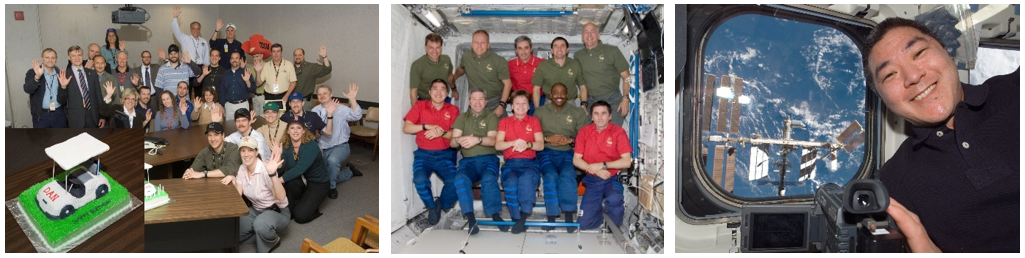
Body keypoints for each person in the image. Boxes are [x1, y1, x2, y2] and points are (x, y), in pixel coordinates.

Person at [866, 17, 1019, 253]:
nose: (913, 76)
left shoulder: (1017, 89)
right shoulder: (893, 182)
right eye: (889, 75)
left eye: (918, 53)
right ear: (883, 100)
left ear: (947, 53)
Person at [403, 79, 460, 225]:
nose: (438, 92)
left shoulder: (453, 110)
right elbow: (407, 128)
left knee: (455, 182)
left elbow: (455, 135)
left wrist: (440, 133)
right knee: (419, 180)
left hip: (445, 155)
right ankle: (432, 206)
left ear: (447, 93)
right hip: (423, 155)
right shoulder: (420, 105)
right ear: (429, 92)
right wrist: (425, 126)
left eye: (442, 89)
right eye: (435, 88)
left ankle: (441, 204)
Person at [534, 83, 589, 232]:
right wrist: (547, 139)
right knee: (550, 175)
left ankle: (569, 213)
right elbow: (532, 136)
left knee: (567, 174)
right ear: (550, 95)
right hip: (546, 152)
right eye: (556, 93)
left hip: (567, 152)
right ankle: (551, 215)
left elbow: (585, 137)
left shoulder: (578, 113)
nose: (559, 95)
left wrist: (570, 140)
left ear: (568, 95)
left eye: (563, 93)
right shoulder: (539, 112)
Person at [572, 100, 631, 230]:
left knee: (615, 198)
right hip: (593, 179)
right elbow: (576, 160)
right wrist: (596, 170)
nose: (600, 117)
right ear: (591, 117)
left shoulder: (618, 132)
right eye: (596, 114)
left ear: (610, 116)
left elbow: (627, 161)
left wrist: (603, 165)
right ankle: (601, 216)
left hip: (612, 178)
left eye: (603, 113)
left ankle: (613, 226)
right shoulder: (584, 132)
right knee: (583, 224)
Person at [449, 87, 501, 234]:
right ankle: (471, 219)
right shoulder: (462, 117)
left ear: (485, 102)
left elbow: (492, 140)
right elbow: (452, 143)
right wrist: (461, 139)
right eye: (474, 99)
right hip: (468, 161)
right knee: (460, 178)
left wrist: (476, 140)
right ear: (469, 102)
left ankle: (495, 215)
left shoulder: (491, 117)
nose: (477, 102)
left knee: (489, 178)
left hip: (488, 159)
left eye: (480, 99)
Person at [495, 90, 544, 233]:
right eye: (517, 103)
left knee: (526, 180)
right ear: (511, 106)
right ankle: (516, 219)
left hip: (530, 163)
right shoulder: (504, 122)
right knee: (510, 182)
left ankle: (522, 218)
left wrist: (528, 144)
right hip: (510, 164)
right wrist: (513, 143)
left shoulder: (534, 121)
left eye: (524, 103)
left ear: (529, 106)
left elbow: (540, 145)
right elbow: (498, 145)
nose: (521, 106)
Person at [234, 136, 288, 253]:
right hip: (257, 209)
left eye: (250, 150)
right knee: (234, 231)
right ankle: (261, 234)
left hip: (277, 211)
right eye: (243, 150)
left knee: (260, 224)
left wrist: (272, 175)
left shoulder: (265, 169)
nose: (246, 154)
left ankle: (274, 239)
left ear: (257, 151)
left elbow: (281, 197)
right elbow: (237, 196)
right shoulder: (242, 169)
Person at [311, 84, 362, 199]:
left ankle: (331, 188)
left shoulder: (341, 109)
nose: (322, 96)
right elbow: (313, 131)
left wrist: (352, 100)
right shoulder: (315, 111)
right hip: (322, 147)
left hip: (340, 147)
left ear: (331, 95)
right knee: (324, 175)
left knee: (332, 161)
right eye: (319, 94)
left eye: (325, 93)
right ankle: (349, 172)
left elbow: (356, 116)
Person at [575, 22, 631, 126]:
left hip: (613, 99)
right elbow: (582, 84)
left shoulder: (612, 51)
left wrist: (625, 99)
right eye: (586, 32)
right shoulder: (578, 56)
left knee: (613, 132)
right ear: (582, 37)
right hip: (592, 100)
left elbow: (626, 76)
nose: (589, 35)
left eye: (592, 32)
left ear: (598, 35)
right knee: (588, 132)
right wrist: (583, 104)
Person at [278, 121, 331, 224]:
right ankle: (302, 201)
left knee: (300, 216)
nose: (295, 131)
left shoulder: (311, 146)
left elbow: (299, 169)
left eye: (298, 128)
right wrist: (278, 160)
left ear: (303, 131)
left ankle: (312, 208)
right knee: (290, 184)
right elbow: (281, 170)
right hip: (302, 180)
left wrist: (279, 180)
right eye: (292, 128)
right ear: (288, 131)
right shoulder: (286, 147)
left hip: (318, 183)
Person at [451, 30, 511, 117]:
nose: (479, 46)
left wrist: (501, 105)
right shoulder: (466, 57)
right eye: (476, 42)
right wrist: (453, 84)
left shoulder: (499, 61)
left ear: (488, 45)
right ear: (472, 44)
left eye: (483, 42)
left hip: (494, 103)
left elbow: (508, 85)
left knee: (501, 130)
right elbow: (461, 69)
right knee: (468, 129)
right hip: (475, 102)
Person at [533, 37, 587, 109]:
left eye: (562, 46)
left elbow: (582, 87)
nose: (559, 49)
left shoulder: (575, 64)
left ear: (567, 50)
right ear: (552, 50)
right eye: (556, 46)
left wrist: (584, 106)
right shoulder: (543, 66)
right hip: (550, 103)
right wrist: (537, 109)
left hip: (570, 103)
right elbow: (536, 89)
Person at [60, 45, 104, 128]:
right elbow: (61, 100)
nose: (77, 58)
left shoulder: (92, 73)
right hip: (75, 118)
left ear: (82, 56)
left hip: (93, 116)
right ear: (69, 58)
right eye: (74, 56)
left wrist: (102, 116)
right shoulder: (64, 75)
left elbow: (98, 96)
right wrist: (63, 87)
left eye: (79, 55)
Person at [24, 48, 68, 128]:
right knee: (41, 139)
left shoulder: (61, 74)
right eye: (47, 57)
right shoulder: (32, 72)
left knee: (61, 138)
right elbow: (28, 89)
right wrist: (37, 77)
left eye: (53, 58)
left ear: (56, 60)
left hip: (59, 114)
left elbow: (64, 99)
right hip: (41, 115)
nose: (50, 60)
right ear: (42, 58)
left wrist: (63, 87)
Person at [409, 33, 454, 106]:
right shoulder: (417, 65)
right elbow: (413, 92)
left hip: (443, 100)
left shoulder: (446, 59)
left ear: (441, 47)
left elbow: (450, 76)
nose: (434, 51)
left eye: (437, 47)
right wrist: (416, 113)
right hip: (425, 101)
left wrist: (454, 89)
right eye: (431, 47)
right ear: (426, 47)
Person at [254, 43, 297, 114]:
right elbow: (258, 83)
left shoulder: (289, 65)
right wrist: (258, 72)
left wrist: (286, 96)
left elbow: (293, 82)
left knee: (284, 119)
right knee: (270, 118)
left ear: (281, 53)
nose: (276, 54)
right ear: (270, 53)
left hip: (284, 96)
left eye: (278, 51)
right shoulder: (266, 66)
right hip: (269, 97)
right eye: (274, 51)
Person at [508, 36, 544, 115]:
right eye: (520, 48)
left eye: (526, 48)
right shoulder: (510, 65)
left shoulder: (542, 63)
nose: (523, 51)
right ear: (516, 50)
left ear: (531, 49)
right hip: (520, 102)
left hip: (540, 100)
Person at [219, 51, 256, 118]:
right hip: (228, 106)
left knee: (242, 126)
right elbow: (222, 91)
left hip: (242, 105)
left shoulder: (246, 72)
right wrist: (222, 106)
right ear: (230, 60)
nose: (234, 60)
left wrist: (247, 81)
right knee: (229, 127)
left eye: (236, 58)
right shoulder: (225, 74)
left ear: (240, 60)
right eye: (232, 58)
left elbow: (253, 90)